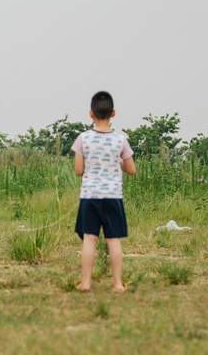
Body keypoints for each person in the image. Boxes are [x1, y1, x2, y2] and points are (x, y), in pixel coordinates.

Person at [71, 91, 136, 293]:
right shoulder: (120, 140)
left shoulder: (83, 139)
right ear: (113, 113)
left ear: (91, 113)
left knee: (90, 238)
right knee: (113, 240)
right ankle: (117, 283)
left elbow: (79, 171)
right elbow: (131, 170)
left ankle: (86, 282)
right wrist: (118, 161)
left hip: (90, 196)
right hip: (113, 197)